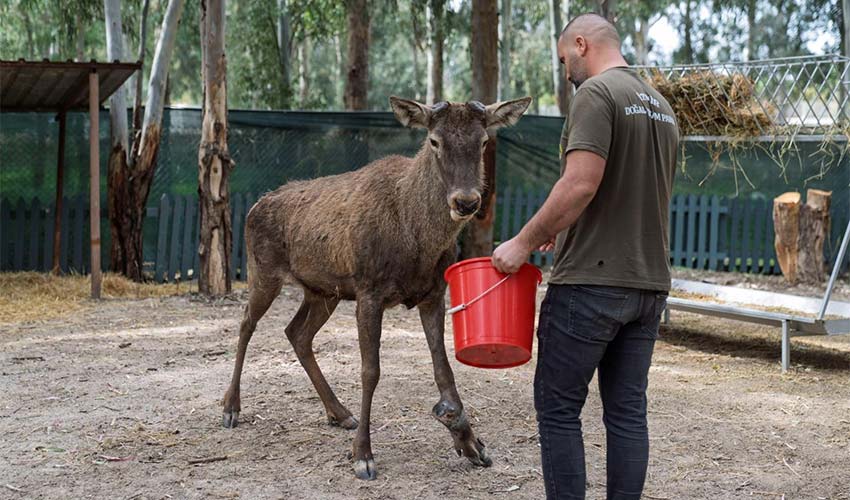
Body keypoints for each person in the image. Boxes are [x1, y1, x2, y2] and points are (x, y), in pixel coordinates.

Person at [491, 13, 679, 500]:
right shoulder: (660, 105)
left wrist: (523, 242)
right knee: (626, 414)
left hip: (590, 287)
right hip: (647, 284)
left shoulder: (596, 94)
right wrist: (562, 226)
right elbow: (626, 191)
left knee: (558, 410)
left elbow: (581, 183)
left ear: (581, 44)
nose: (565, 71)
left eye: (562, 59)